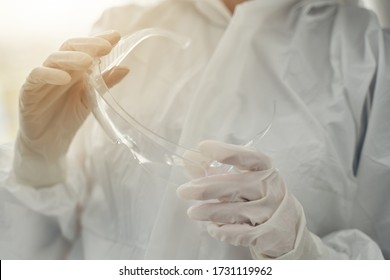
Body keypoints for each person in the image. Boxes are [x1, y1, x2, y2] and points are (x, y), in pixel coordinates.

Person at [0, 0, 389, 259]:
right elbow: (37, 252)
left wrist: (300, 250)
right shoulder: (120, 27)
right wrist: (38, 163)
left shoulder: (366, 53)